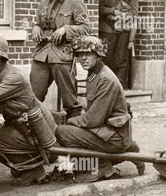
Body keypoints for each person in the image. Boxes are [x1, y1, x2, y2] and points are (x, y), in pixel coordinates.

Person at [0, 33, 58, 186]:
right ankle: (24, 164)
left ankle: (33, 169)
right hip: (24, 128)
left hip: (40, 134)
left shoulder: (14, 77)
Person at [55, 36, 145, 182]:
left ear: (98, 56)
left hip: (113, 136)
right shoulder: (94, 74)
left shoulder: (105, 79)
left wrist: (71, 121)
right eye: (80, 54)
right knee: (73, 133)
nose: (83, 58)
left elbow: (92, 120)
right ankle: (128, 149)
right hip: (108, 132)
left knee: (63, 132)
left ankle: (102, 166)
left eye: (88, 54)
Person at [30, 0, 91, 119]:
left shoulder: (74, 3)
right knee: (32, 98)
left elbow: (86, 28)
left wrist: (65, 29)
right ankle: (33, 130)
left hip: (62, 56)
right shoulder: (44, 4)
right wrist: (36, 27)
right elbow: (39, 22)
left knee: (71, 101)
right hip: (42, 55)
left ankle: (73, 130)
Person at [99, 0, 139, 89]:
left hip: (123, 31)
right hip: (108, 30)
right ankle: (106, 85)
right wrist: (113, 11)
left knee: (121, 60)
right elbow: (100, 9)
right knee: (107, 58)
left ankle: (120, 87)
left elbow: (134, 12)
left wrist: (123, 16)